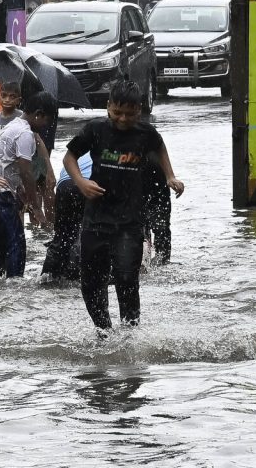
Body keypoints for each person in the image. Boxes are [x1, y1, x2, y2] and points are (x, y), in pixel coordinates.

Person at [63, 80, 185, 333]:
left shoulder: (145, 133)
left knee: (127, 278)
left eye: (129, 114)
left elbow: (159, 147)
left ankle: (129, 336)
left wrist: (170, 176)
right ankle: (103, 331)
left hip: (130, 220)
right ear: (108, 107)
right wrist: (81, 182)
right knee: (91, 282)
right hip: (96, 217)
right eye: (117, 112)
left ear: (138, 110)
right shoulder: (96, 129)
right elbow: (69, 157)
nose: (122, 119)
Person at [0, 91, 57, 279]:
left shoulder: (14, 124)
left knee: (0, 243)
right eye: (47, 120)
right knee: (17, 242)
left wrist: (21, 192)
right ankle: (15, 286)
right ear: (38, 114)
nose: (47, 126)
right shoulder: (25, 134)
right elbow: (26, 172)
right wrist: (37, 207)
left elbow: (10, 164)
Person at [40, 153, 92, 282]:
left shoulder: (82, 150)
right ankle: (81, 276)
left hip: (64, 186)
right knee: (92, 235)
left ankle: (48, 277)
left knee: (62, 238)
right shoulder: (114, 150)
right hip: (88, 185)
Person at [142, 157, 172, 264]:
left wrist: (171, 177)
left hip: (159, 184)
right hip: (135, 186)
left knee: (161, 230)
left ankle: (162, 263)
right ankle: (144, 263)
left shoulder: (154, 144)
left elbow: (160, 147)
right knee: (139, 230)